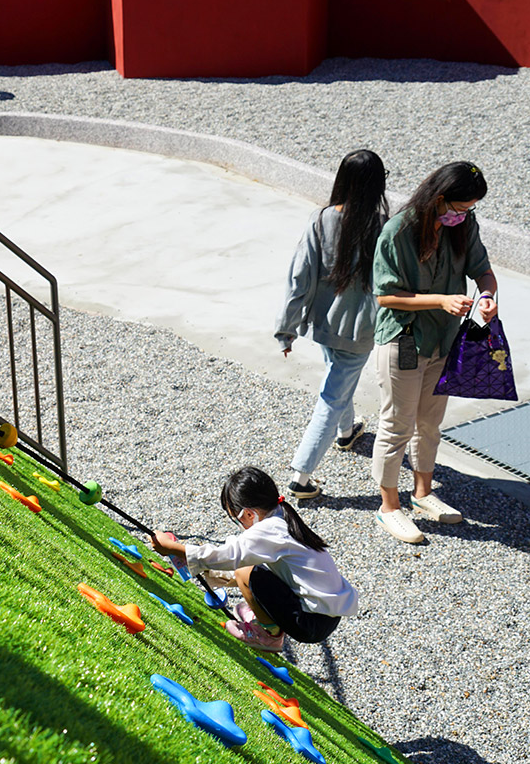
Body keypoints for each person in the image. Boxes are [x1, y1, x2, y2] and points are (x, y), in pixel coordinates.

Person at [371, 161, 497, 543]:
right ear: (440, 199)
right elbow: (384, 295)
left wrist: (488, 295)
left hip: (444, 341)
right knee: (397, 424)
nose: (465, 216)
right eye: (461, 208)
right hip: (404, 340)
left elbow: (483, 270)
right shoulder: (397, 232)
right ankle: (388, 507)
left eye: (471, 209)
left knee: (429, 423)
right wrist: (440, 300)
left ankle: (423, 493)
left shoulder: (464, 226)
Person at [275, 150, 389, 499]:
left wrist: (287, 328)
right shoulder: (383, 225)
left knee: (338, 379)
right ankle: (301, 476)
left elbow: (300, 277)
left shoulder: (321, 218)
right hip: (361, 330)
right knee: (331, 395)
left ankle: (346, 432)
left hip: (324, 323)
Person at [151, 466, 358, 652]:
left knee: (246, 571)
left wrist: (175, 548)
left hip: (310, 623)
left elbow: (231, 556)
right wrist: (197, 563)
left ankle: (269, 635)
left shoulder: (271, 531)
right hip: (324, 615)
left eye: (236, 518)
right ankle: (265, 616)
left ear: (248, 514)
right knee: (249, 568)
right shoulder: (281, 516)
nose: (238, 524)